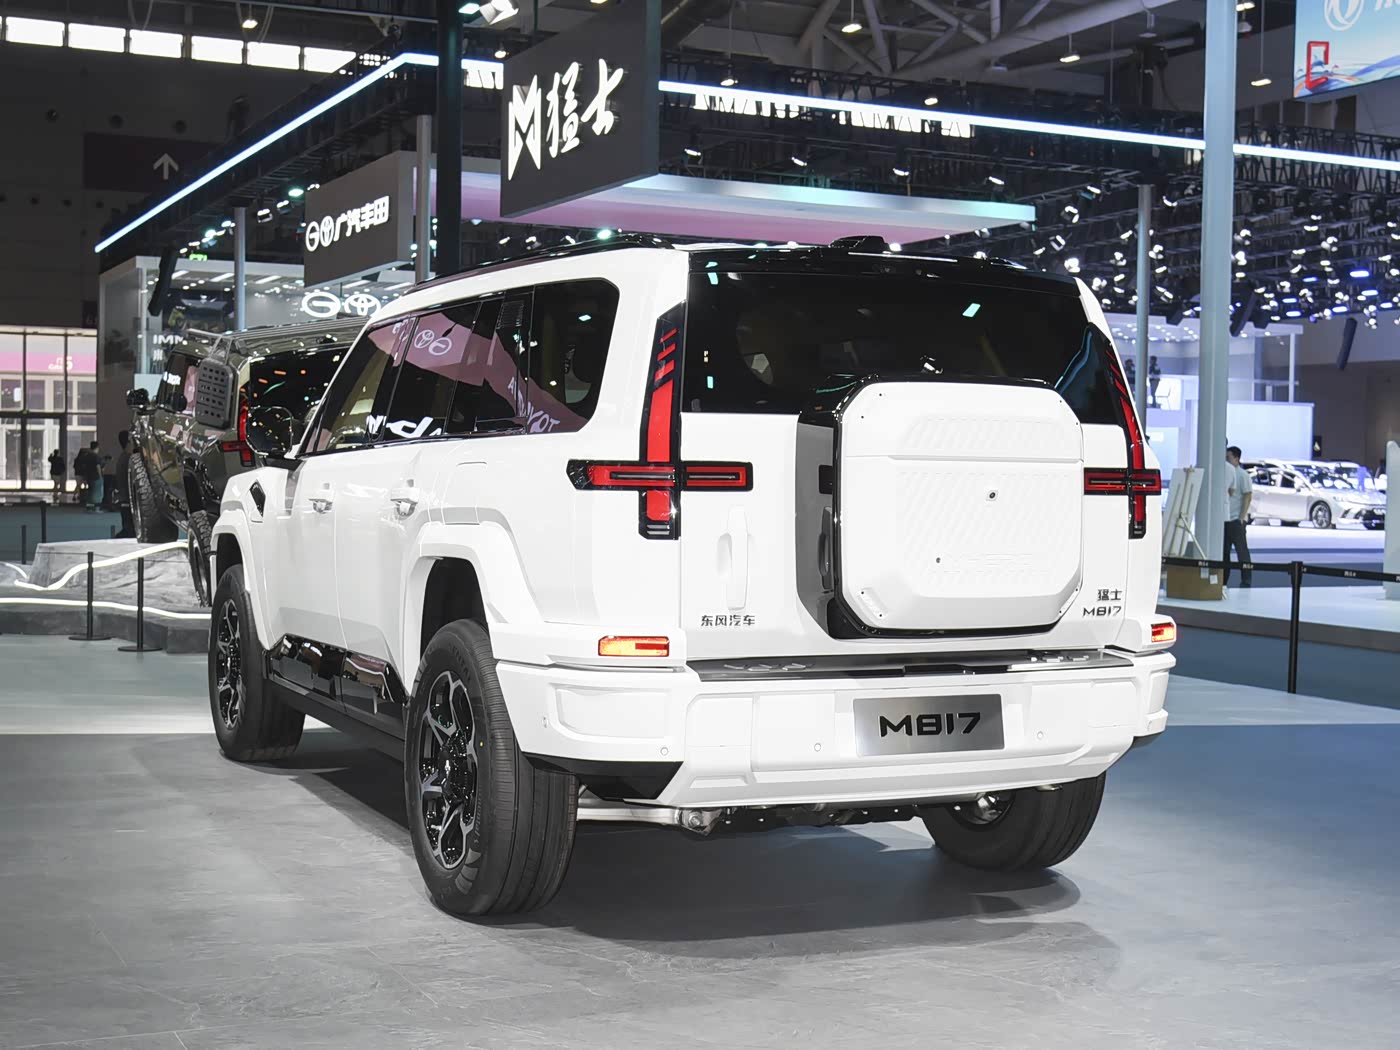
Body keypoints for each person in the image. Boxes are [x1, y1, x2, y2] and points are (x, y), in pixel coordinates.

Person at [1223, 446, 1253, 590]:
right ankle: (1223, 581)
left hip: (1236, 519)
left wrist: (1242, 517)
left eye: (1228, 457)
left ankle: (1246, 581)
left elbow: (1247, 496)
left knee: (1242, 552)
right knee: (1224, 553)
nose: (1226, 460)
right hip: (1226, 518)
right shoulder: (1227, 472)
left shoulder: (1242, 475)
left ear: (1236, 458)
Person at [114, 431, 134, 537]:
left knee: (129, 529)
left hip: (125, 499)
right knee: (130, 530)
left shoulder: (123, 458)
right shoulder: (129, 459)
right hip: (128, 499)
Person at [82, 440, 106, 511]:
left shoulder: (87, 456)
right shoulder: (96, 456)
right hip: (96, 476)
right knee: (97, 493)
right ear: (97, 447)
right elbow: (97, 466)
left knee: (90, 492)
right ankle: (96, 508)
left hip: (89, 476)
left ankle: (89, 507)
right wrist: (100, 475)